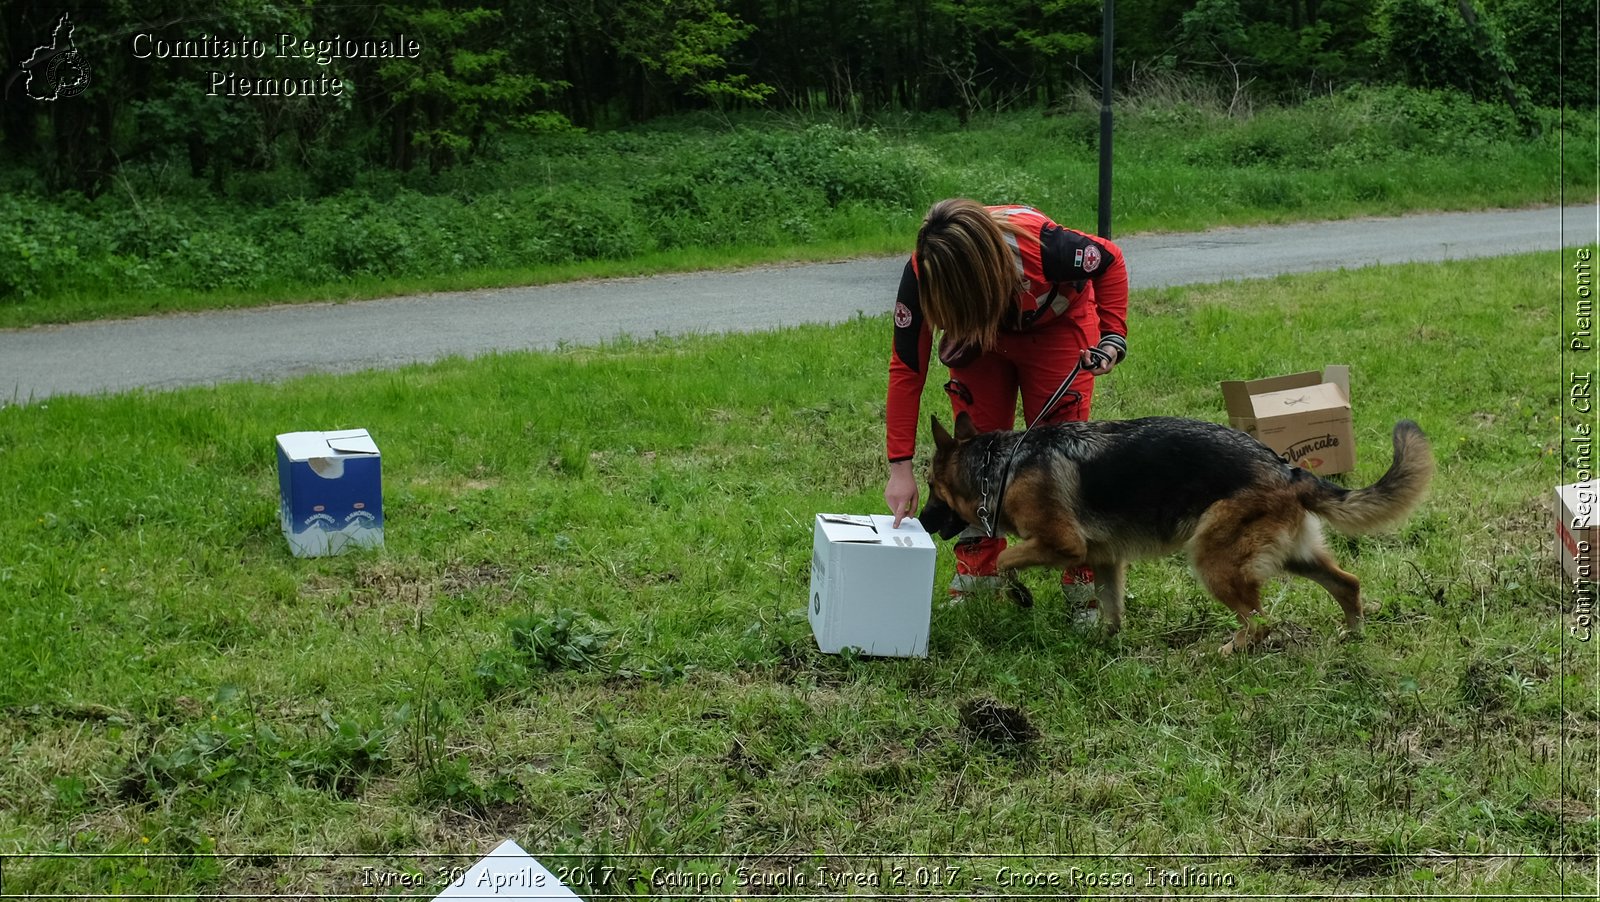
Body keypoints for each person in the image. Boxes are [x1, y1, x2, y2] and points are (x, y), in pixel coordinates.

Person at [883, 198, 1129, 606]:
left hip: (1055, 328)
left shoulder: (1049, 250)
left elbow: (1111, 259)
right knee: (972, 454)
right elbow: (907, 366)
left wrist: (1113, 335)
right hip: (982, 336)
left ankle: (1084, 585)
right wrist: (900, 468)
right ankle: (979, 576)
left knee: (1060, 453)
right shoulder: (925, 269)